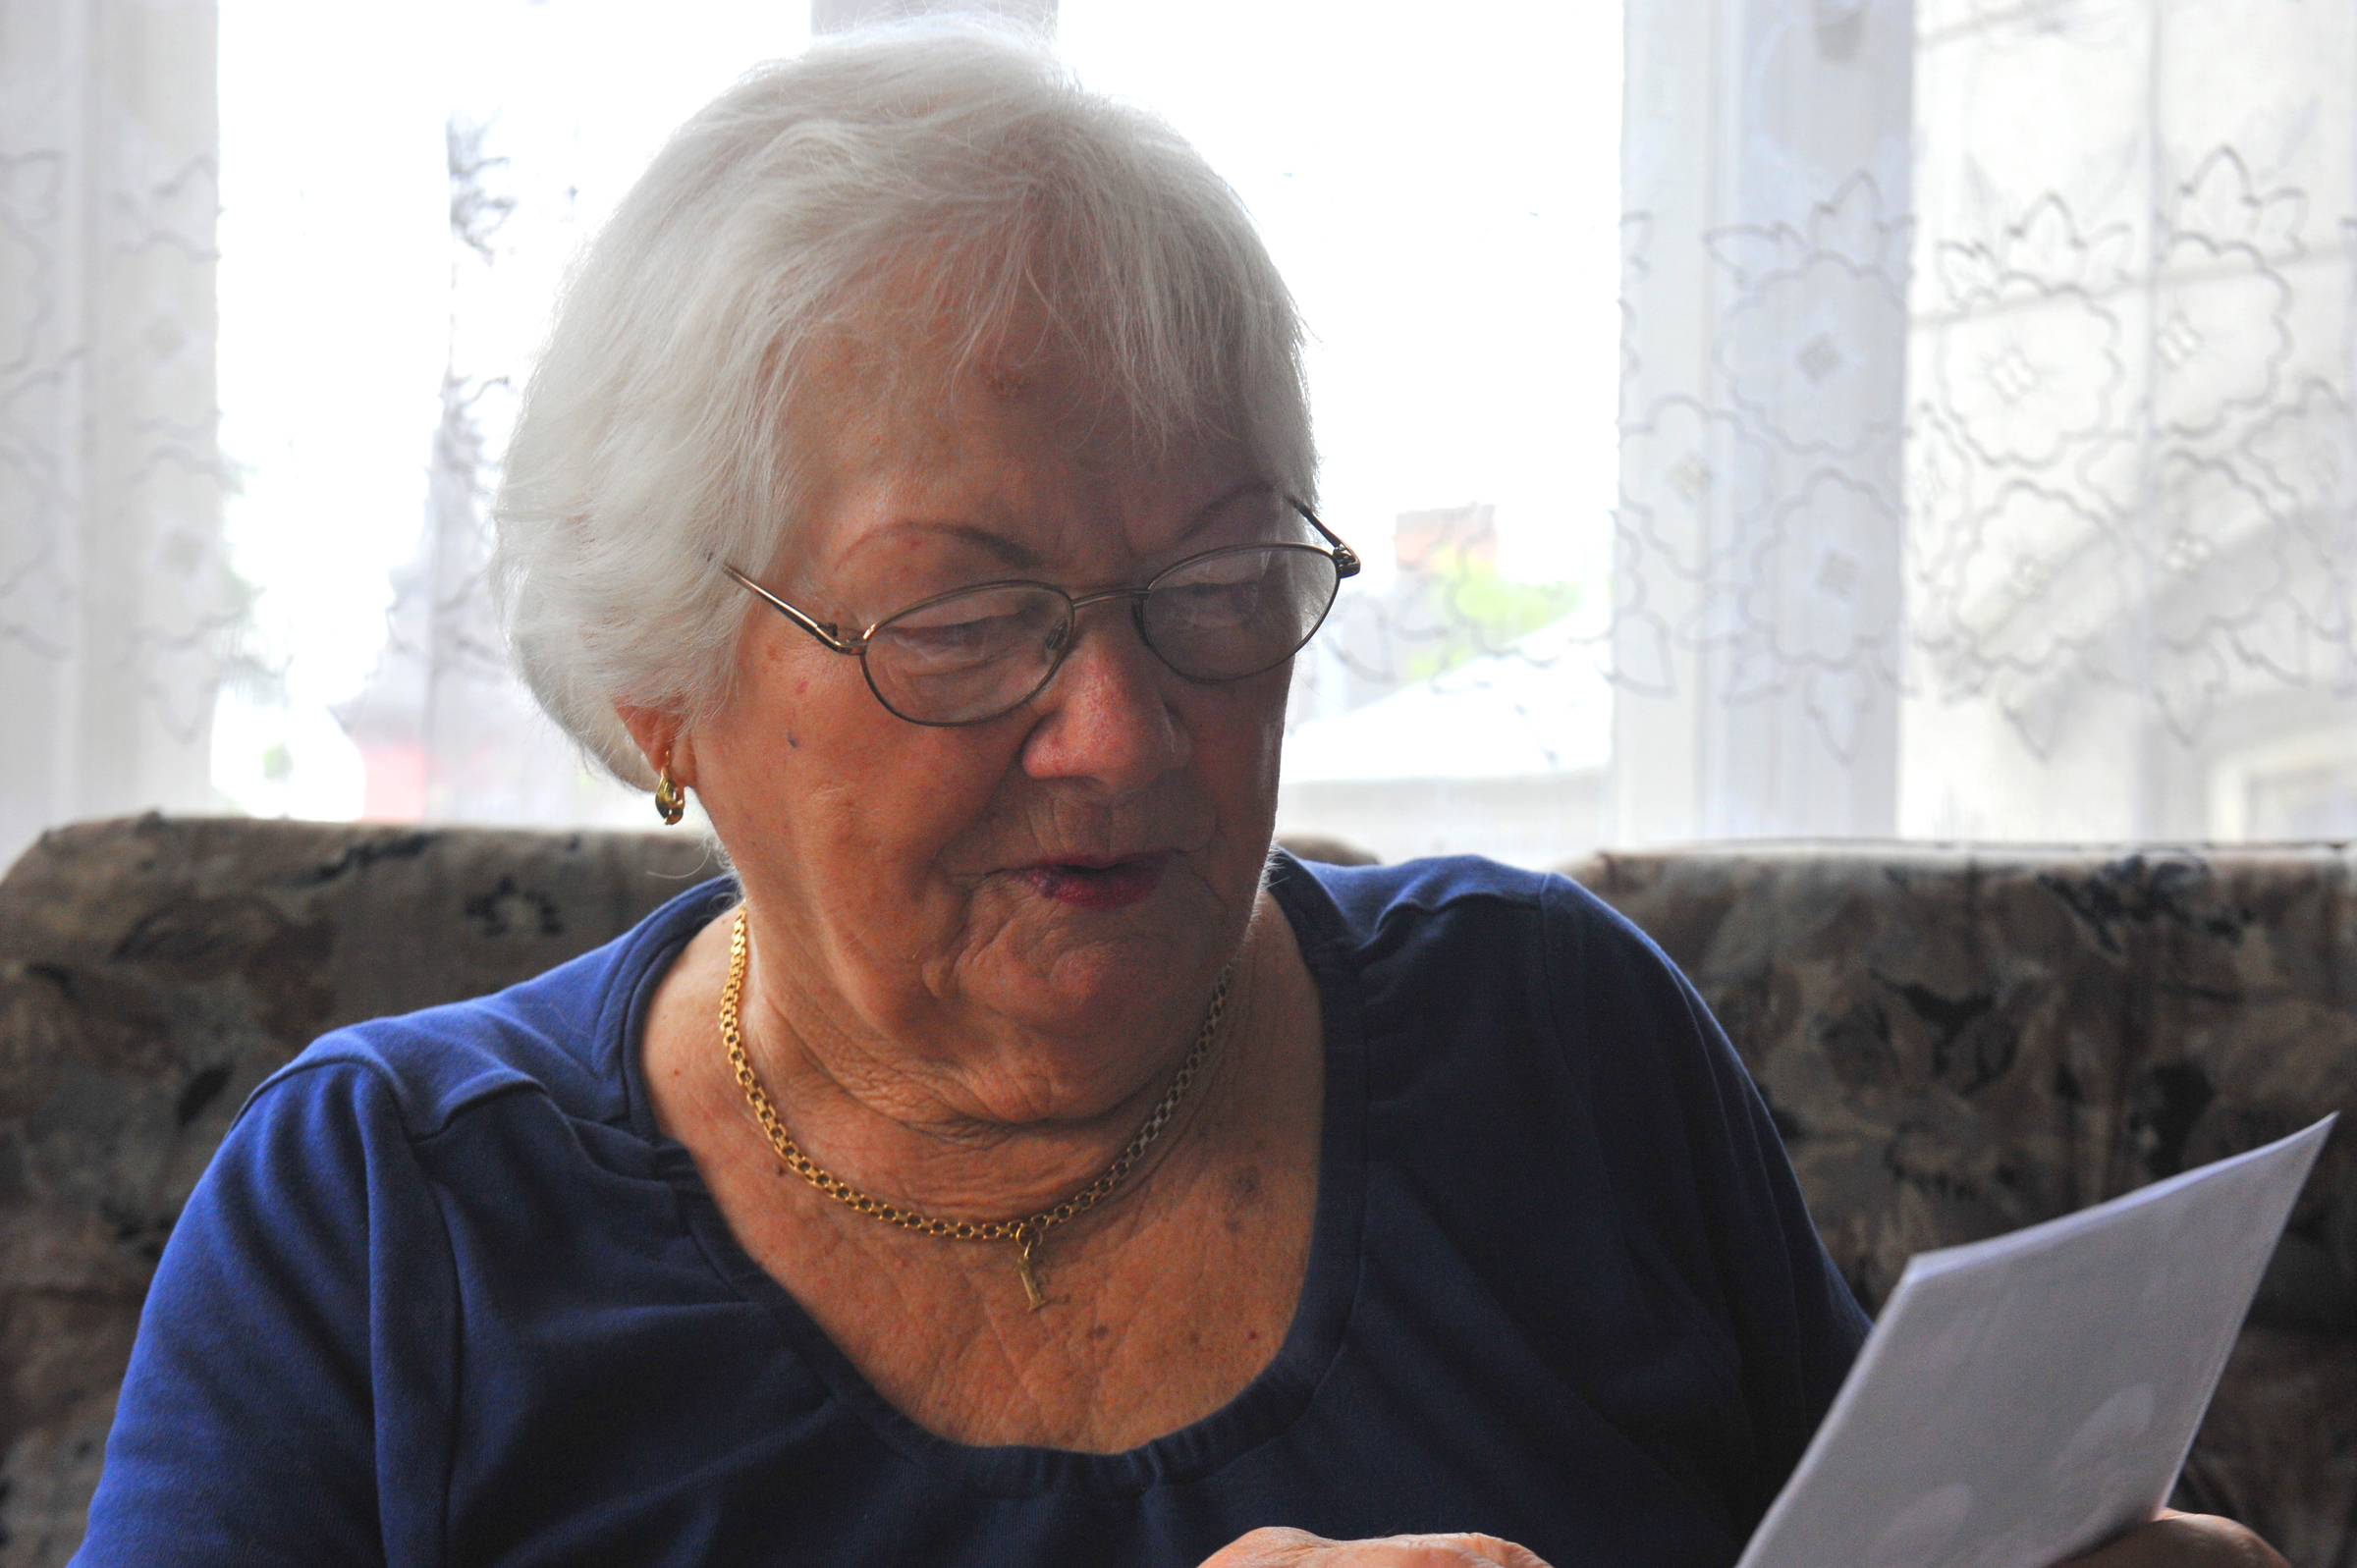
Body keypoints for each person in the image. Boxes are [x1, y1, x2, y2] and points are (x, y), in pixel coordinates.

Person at [74, 24, 2285, 1568]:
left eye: (1218, 588)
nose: (1127, 733)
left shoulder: (1555, 1039)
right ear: (666, 684)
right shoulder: (389, 1221)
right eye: (967, 621)